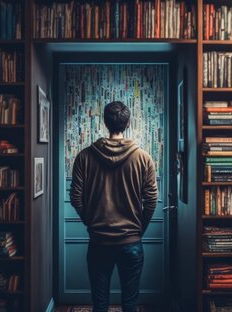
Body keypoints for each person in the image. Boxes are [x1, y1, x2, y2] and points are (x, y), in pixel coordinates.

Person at [70, 101, 159, 312]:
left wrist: (90, 222)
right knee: (129, 305)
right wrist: (139, 228)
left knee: (99, 305)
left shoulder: (84, 157)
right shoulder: (143, 158)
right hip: (131, 242)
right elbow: (152, 199)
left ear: (105, 123)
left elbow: (76, 197)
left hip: (99, 241)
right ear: (127, 124)